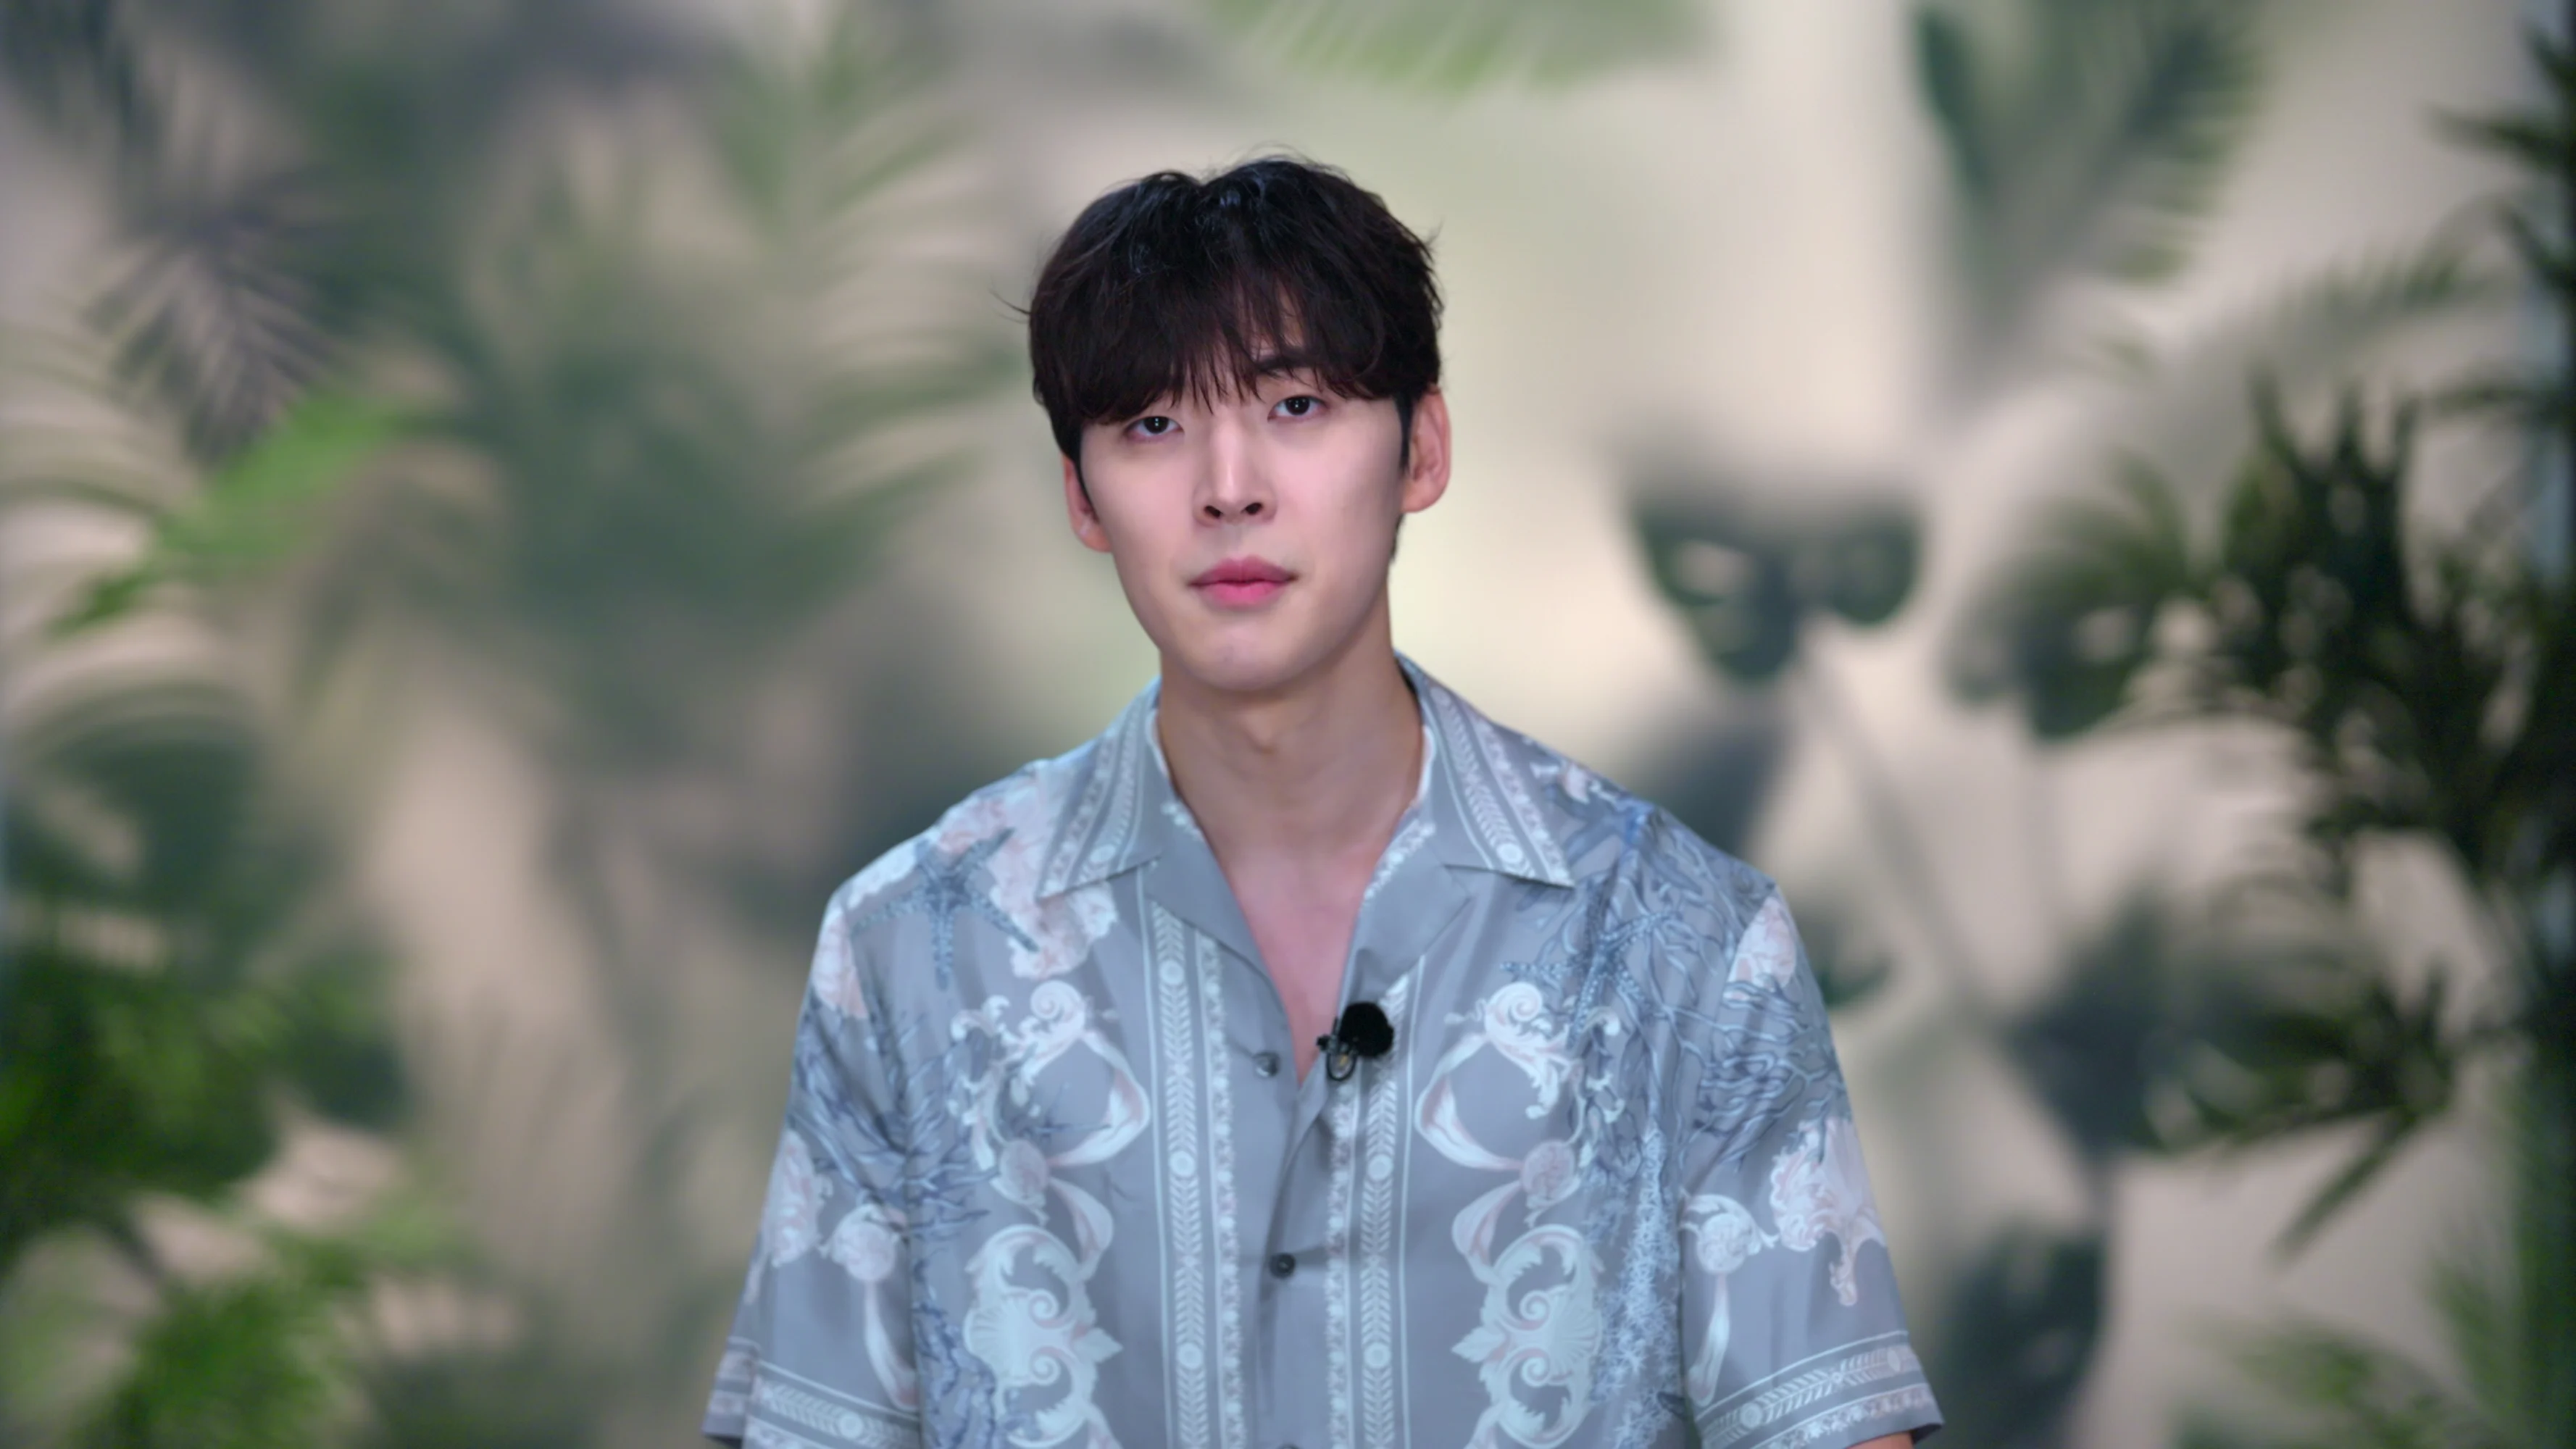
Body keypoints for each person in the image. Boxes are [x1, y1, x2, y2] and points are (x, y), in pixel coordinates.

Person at [703, 156, 1942, 1449]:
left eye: (1295, 405)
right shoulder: (912, 948)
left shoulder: (1682, 940)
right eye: (1152, 426)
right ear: (1080, 497)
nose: (1228, 486)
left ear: (1423, 449)